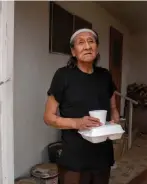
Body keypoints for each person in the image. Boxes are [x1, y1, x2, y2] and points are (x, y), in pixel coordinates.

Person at [44, 28, 120, 184]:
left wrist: (114, 121)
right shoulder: (63, 75)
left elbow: (113, 108)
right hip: (75, 156)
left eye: (91, 41)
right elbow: (48, 117)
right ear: (73, 51)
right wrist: (77, 123)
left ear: (97, 48)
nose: (87, 46)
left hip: (102, 154)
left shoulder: (105, 75)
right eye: (81, 42)